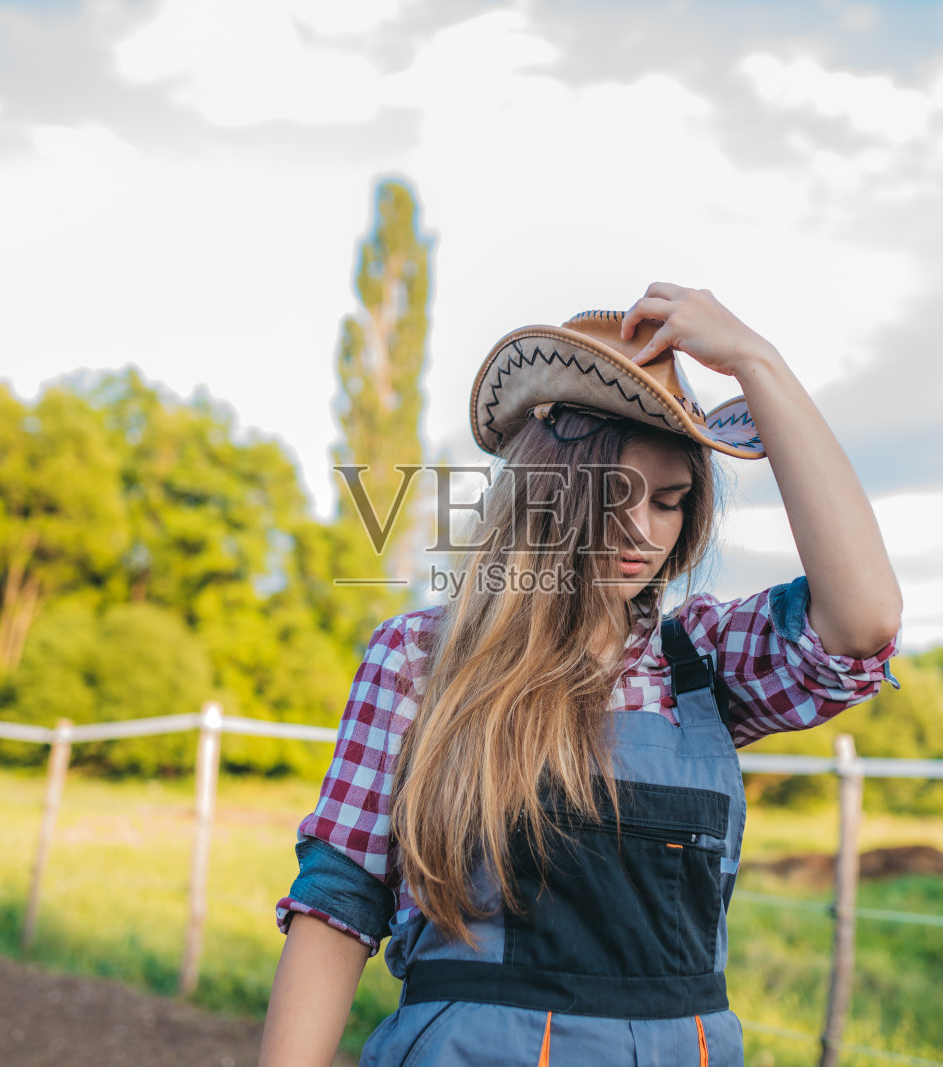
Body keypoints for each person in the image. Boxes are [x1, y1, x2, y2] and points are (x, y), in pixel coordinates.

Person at [259, 283, 902, 1066]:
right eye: (617, 494)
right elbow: (339, 904)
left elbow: (864, 620)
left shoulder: (699, 666)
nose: (643, 530)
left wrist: (756, 361)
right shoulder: (418, 660)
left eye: (670, 502)